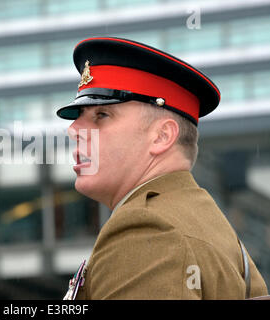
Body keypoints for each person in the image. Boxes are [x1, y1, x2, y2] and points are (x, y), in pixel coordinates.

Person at [57, 37, 268, 299]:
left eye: (101, 115)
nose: (74, 129)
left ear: (162, 136)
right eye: (78, 117)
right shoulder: (195, 218)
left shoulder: (148, 230)